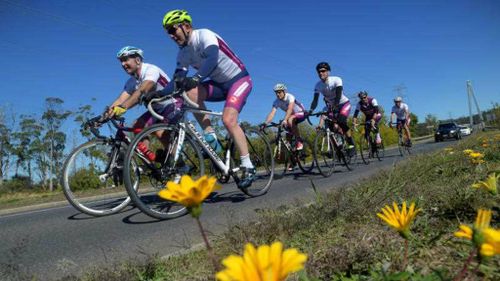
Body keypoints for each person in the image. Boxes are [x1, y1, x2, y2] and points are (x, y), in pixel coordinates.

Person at [158, 9, 255, 188]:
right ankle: (211, 138)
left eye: (173, 30)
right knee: (188, 93)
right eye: (168, 32)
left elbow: (212, 59)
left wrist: (196, 78)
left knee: (228, 119)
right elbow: (177, 80)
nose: (171, 35)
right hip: (218, 85)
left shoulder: (204, 35)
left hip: (239, 79)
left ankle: (248, 165)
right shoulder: (183, 53)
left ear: (186, 26)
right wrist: (159, 94)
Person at [107, 46, 182, 161]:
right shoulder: (132, 81)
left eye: (125, 59)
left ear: (137, 60)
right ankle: (151, 161)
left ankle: (179, 163)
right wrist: (102, 117)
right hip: (156, 109)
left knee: (159, 131)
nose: (123, 64)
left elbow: (143, 90)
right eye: (121, 61)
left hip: (173, 103)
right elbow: (120, 100)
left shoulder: (150, 70)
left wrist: (123, 108)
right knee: (137, 126)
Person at [309, 62, 355, 155]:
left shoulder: (336, 79)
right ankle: (337, 147)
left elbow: (338, 95)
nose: (321, 73)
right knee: (331, 127)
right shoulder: (318, 85)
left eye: (323, 71)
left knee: (341, 121)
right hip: (332, 107)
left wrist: (336, 105)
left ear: (328, 72)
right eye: (319, 72)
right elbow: (315, 100)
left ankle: (351, 143)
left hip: (343, 104)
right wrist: (310, 110)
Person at [262, 83, 306, 151]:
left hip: (301, 113)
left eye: (279, 92)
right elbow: (272, 113)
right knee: (287, 134)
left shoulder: (290, 96)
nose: (277, 94)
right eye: (276, 93)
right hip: (291, 115)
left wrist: (285, 119)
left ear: (284, 91)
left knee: (289, 120)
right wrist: (265, 123)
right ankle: (293, 154)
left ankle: (299, 141)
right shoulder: (276, 102)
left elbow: (290, 109)